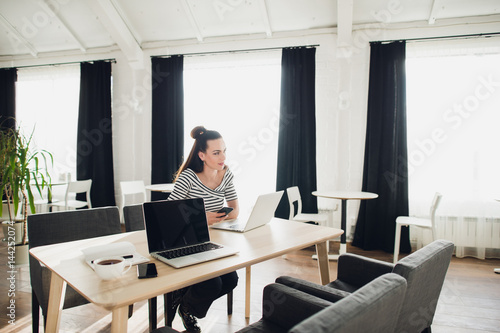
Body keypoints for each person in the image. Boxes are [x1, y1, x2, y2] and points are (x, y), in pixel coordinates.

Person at [167, 125, 239, 332]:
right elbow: (169, 215)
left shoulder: (225, 174)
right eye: (216, 152)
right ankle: (187, 309)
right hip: (187, 240)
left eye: (224, 150)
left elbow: (235, 208)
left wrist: (223, 215)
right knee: (212, 284)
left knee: (231, 280)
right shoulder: (189, 177)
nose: (222, 156)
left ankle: (185, 303)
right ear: (202, 155)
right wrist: (199, 218)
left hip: (213, 240)